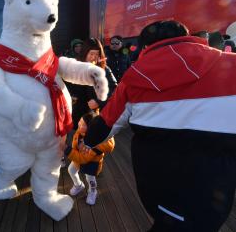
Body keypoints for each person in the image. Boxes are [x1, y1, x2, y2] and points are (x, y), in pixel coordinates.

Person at [71, 20, 236, 231]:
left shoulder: (135, 76)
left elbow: (106, 124)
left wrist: (89, 138)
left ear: (145, 47)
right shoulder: (231, 65)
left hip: (158, 184)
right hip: (216, 191)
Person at [64, 112, 115, 205]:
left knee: (90, 179)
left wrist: (67, 150)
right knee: (71, 170)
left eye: (83, 124)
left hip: (91, 163)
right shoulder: (81, 131)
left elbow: (84, 158)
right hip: (78, 157)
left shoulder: (96, 145)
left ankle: (92, 192)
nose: (79, 124)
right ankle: (78, 185)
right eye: (80, 121)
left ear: (91, 129)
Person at [70, 38, 117, 129]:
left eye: (97, 54)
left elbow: (115, 89)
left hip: (96, 114)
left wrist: (99, 101)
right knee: (76, 139)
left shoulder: (104, 69)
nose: (94, 57)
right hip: (77, 114)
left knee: (94, 139)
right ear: (84, 53)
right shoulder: (75, 67)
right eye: (91, 54)